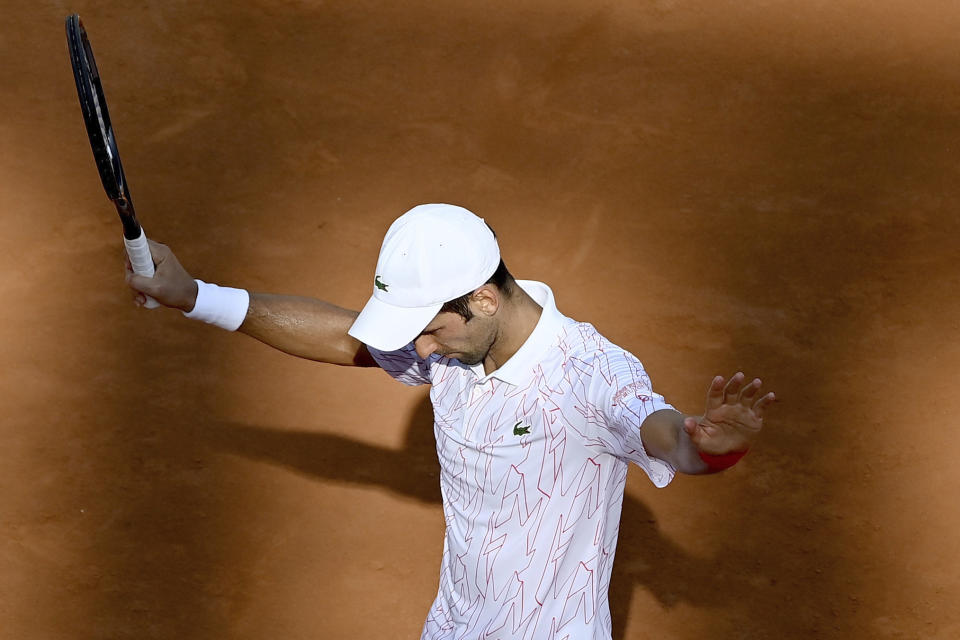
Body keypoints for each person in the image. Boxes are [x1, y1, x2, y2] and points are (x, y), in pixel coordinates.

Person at [126, 203, 775, 640]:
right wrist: (194, 297)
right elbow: (339, 337)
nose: (422, 352)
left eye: (431, 330)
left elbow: (664, 436)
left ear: (484, 298)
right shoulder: (457, 339)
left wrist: (712, 447)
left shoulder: (591, 375)